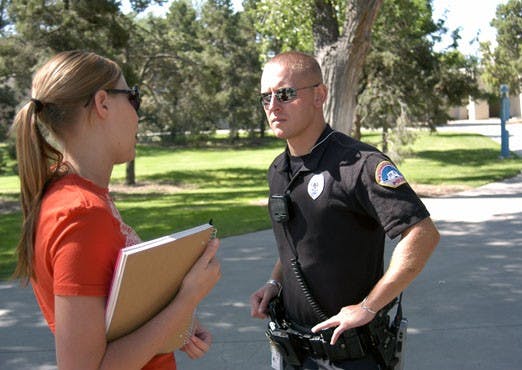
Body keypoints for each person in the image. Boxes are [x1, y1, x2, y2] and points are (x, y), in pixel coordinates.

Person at [11, 50, 221, 370]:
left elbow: (112, 317)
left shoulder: (82, 198)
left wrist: (177, 322)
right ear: (103, 103)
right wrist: (186, 300)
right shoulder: (79, 215)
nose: (137, 115)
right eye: (132, 97)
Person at [249, 51, 440, 370]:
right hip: (294, 352)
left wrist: (368, 307)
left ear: (319, 95)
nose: (273, 106)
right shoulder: (278, 170)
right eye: (265, 97)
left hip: (353, 356)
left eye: (284, 94)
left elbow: (423, 235)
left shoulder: (360, 164)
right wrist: (274, 283)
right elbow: (296, 241)